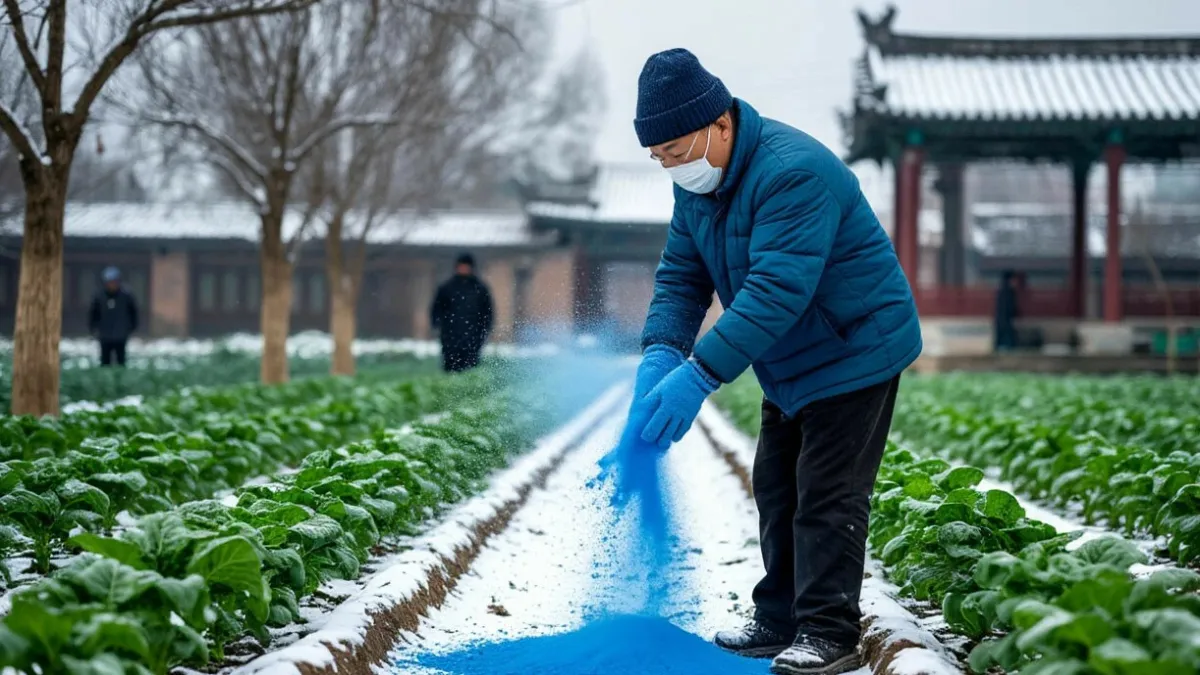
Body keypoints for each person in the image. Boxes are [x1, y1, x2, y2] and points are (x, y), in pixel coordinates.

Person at [626, 49, 922, 675]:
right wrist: (659, 354)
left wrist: (700, 375)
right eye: (660, 158)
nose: (673, 166)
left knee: (827, 493)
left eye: (678, 150)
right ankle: (778, 617)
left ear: (721, 124)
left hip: (854, 348)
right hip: (787, 355)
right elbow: (682, 278)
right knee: (775, 486)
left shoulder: (793, 173)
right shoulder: (696, 187)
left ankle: (828, 630)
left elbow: (776, 290)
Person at [431, 253, 494, 373]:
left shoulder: (480, 289)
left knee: (471, 366)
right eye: (461, 266)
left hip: (473, 335)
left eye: (466, 266)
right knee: (451, 365)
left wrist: (485, 329)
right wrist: (437, 324)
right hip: (450, 335)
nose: (464, 269)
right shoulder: (446, 287)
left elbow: (488, 311)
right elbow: (437, 308)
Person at [89, 266, 139, 367]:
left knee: (121, 361)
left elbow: (133, 313)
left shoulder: (126, 296)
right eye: (109, 282)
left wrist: (130, 327)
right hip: (104, 334)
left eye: (114, 282)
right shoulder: (99, 296)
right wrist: (94, 328)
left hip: (121, 334)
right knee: (105, 361)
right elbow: (93, 314)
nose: (112, 285)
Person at [994, 270, 1019, 352]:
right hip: (1005, 319)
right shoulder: (1008, 291)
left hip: (1001, 318)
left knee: (1000, 340)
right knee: (1008, 340)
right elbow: (1009, 306)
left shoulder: (1001, 290)